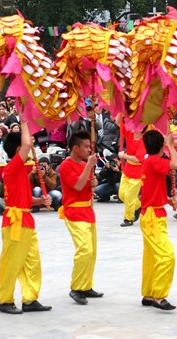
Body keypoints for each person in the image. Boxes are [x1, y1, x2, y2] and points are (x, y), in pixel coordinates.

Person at [0, 118, 52, 314]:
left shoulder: (20, 169)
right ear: (18, 148)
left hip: (26, 219)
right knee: (12, 262)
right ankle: (5, 300)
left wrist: (40, 201)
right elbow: (29, 142)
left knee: (32, 261)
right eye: (24, 146)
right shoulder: (12, 166)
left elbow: (25, 199)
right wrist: (24, 117)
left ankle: (30, 298)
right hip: (15, 222)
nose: (28, 148)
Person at [58, 131, 103, 305]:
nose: (88, 149)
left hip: (87, 211)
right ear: (75, 148)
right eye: (85, 146)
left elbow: (87, 185)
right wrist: (88, 168)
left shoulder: (85, 164)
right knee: (84, 249)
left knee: (92, 252)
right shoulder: (65, 166)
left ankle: (86, 284)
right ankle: (76, 287)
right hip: (74, 212)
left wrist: (94, 182)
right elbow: (77, 185)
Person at [139, 130, 177, 310]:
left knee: (151, 257)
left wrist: (166, 199)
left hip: (152, 212)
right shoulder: (155, 160)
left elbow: (151, 188)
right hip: (152, 217)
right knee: (166, 256)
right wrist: (170, 145)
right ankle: (159, 295)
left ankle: (148, 293)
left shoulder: (149, 161)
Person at [118, 127, 146, 227]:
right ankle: (138, 206)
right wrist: (120, 111)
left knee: (129, 197)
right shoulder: (130, 133)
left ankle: (128, 218)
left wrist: (123, 156)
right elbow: (118, 123)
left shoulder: (143, 141)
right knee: (122, 195)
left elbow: (138, 159)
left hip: (137, 173)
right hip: (127, 169)